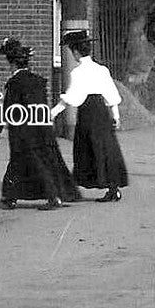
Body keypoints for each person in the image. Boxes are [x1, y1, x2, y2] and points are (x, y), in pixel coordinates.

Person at [0, 37, 79, 211]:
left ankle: (16, 197)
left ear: (12, 64)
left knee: (21, 162)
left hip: (23, 131)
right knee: (46, 160)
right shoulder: (38, 81)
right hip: (42, 127)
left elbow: (9, 108)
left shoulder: (15, 83)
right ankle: (56, 194)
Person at [51, 31, 129, 203]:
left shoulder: (77, 73)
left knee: (87, 149)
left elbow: (72, 97)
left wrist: (53, 113)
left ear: (76, 52)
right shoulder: (102, 70)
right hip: (102, 111)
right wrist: (116, 116)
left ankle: (71, 190)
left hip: (88, 113)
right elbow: (111, 93)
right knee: (106, 148)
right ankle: (113, 189)